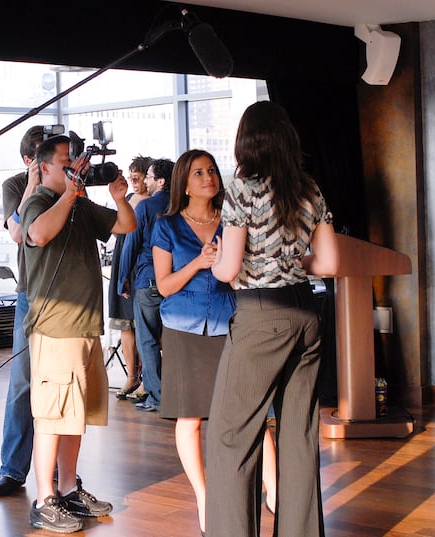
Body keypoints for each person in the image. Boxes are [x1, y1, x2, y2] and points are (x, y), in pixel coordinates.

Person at [206, 101, 339, 537]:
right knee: (299, 437)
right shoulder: (309, 189)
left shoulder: (242, 190)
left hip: (261, 315)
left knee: (231, 436)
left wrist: (216, 262)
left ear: (246, 142)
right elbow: (329, 264)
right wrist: (290, 261)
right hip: (306, 314)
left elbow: (229, 269)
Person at [21, 134, 135, 533]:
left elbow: (126, 224)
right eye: (67, 162)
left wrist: (120, 197)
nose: (76, 168)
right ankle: (44, 500)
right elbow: (38, 234)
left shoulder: (81, 205)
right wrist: (70, 194)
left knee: (75, 416)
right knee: (52, 416)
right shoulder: (37, 202)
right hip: (55, 329)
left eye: (77, 162)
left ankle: (68, 489)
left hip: (85, 327)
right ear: (44, 167)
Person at [152, 149, 235, 534]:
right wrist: (199, 263)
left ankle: (274, 492)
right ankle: (204, 496)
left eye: (212, 170)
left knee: (241, 413)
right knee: (190, 418)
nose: (208, 177)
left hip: (229, 324)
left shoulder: (232, 221)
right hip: (183, 328)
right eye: (199, 172)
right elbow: (165, 286)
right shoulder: (167, 226)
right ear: (184, 183)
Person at [0, 125, 45, 497]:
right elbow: (17, 233)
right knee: (23, 382)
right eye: (44, 154)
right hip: (30, 293)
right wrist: (33, 184)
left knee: (63, 385)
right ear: (28, 159)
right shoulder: (15, 186)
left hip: (66, 295)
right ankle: (12, 469)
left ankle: (62, 472)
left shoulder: (69, 186)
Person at [117, 158, 175, 411]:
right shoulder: (181, 204)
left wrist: (122, 279)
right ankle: (177, 393)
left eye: (149, 177)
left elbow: (131, 244)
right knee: (173, 339)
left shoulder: (146, 206)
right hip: (176, 280)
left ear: (161, 181)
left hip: (148, 279)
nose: (147, 182)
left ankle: (157, 397)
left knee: (148, 340)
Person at [109, 155, 151, 399]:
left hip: (140, 265)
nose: (133, 181)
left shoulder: (152, 203)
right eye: (131, 176)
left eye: (138, 176)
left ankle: (147, 379)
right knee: (125, 324)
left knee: (143, 325)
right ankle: (131, 376)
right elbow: (119, 231)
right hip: (122, 262)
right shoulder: (129, 199)